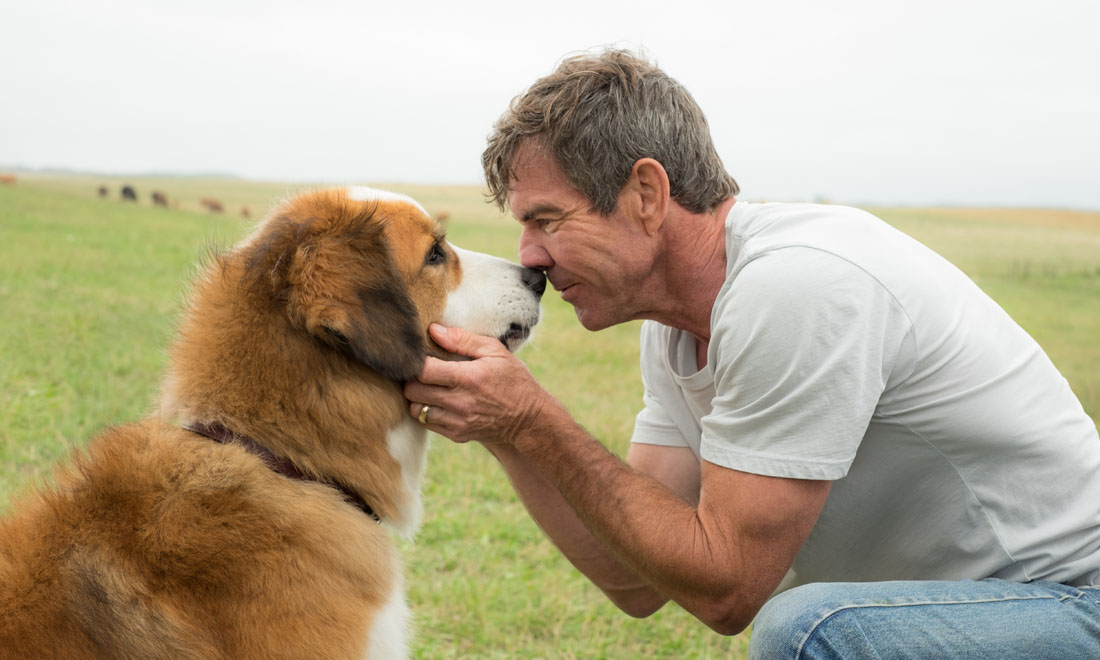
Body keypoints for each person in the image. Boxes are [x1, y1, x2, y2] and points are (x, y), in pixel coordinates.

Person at [403, 49, 1100, 659]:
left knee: (809, 631)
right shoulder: (676, 328)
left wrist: (532, 421)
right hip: (970, 620)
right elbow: (637, 580)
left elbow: (727, 588)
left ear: (646, 193)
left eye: (547, 221)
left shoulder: (796, 284)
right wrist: (504, 431)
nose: (530, 257)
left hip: (1073, 605)